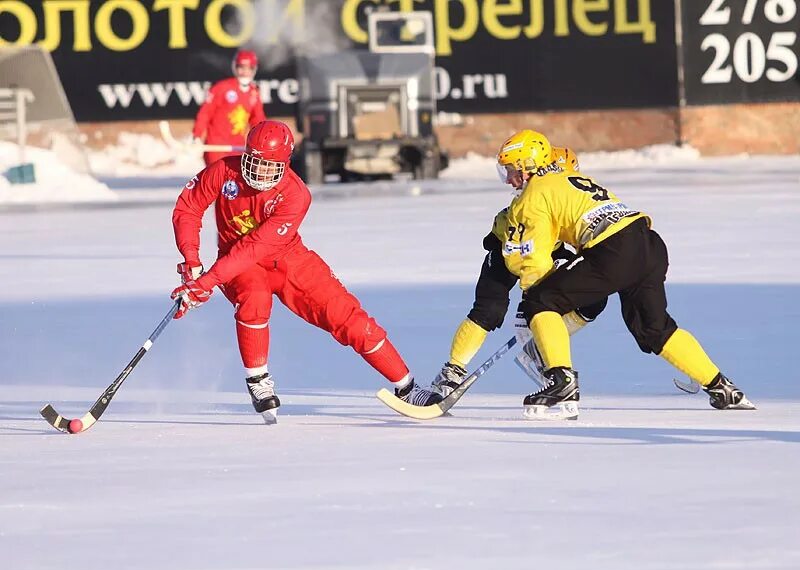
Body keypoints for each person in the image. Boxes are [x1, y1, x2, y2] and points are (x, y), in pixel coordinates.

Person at [169, 120, 441, 423]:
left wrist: (207, 281)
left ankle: (407, 387)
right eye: (254, 162)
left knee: (348, 318)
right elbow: (188, 208)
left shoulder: (296, 195)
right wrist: (191, 260)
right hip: (239, 264)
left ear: (285, 165)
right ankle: (258, 380)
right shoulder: (223, 171)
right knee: (255, 299)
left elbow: (257, 246)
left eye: (269, 167)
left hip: (287, 258)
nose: (259, 173)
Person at [496, 129, 755, 420]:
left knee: (542, 301)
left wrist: (530, 304)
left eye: (510, 170)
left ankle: (562, 381)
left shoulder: (532, 195)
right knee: (654, 329)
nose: (508, 179)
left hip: (613, 251)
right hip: (649, 244)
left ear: (527, 166)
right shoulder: (569, 177)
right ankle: (722, 387)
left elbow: (534, 257)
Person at [431, 147, 608, 397]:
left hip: (547, 248)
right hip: (510, 249)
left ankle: (538, 346)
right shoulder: (535, 192)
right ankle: (452, 370)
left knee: (593, 298)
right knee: (488, 311)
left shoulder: (562, 189)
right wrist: (533, 292)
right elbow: (519, 253)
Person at [192, 49, 266, 167]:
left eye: (249, 68)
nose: (245, 72)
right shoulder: (221, 88)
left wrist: (263, 138)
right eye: (241, 67)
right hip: (216, 147)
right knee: (218, 181)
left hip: (238, 148)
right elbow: (205, 113)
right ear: (235, 68)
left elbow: (258, 119)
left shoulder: (254, 92)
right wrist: (197, 135)